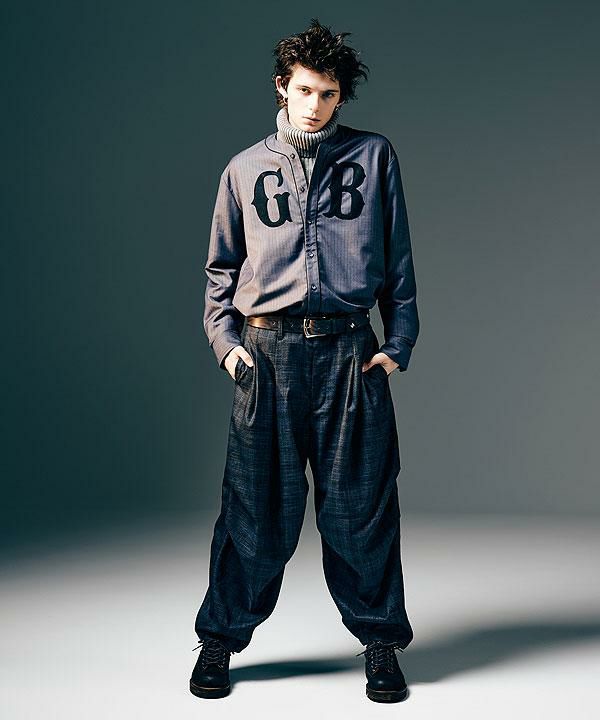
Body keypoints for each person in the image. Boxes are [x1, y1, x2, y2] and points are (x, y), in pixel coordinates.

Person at [190, 18, 419, 704]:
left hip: (350, 354)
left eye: (328, 94)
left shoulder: (374, 157)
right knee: (253, 513)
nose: (315, 105)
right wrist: (228, 348)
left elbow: (398, 261)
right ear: (282, 88)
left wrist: (396, 345)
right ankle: (219, 641)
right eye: (304, 90)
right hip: (267, 356)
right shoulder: (244, 169)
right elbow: (220, 271)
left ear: (341, 97)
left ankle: (380, 644)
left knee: (360, 509)